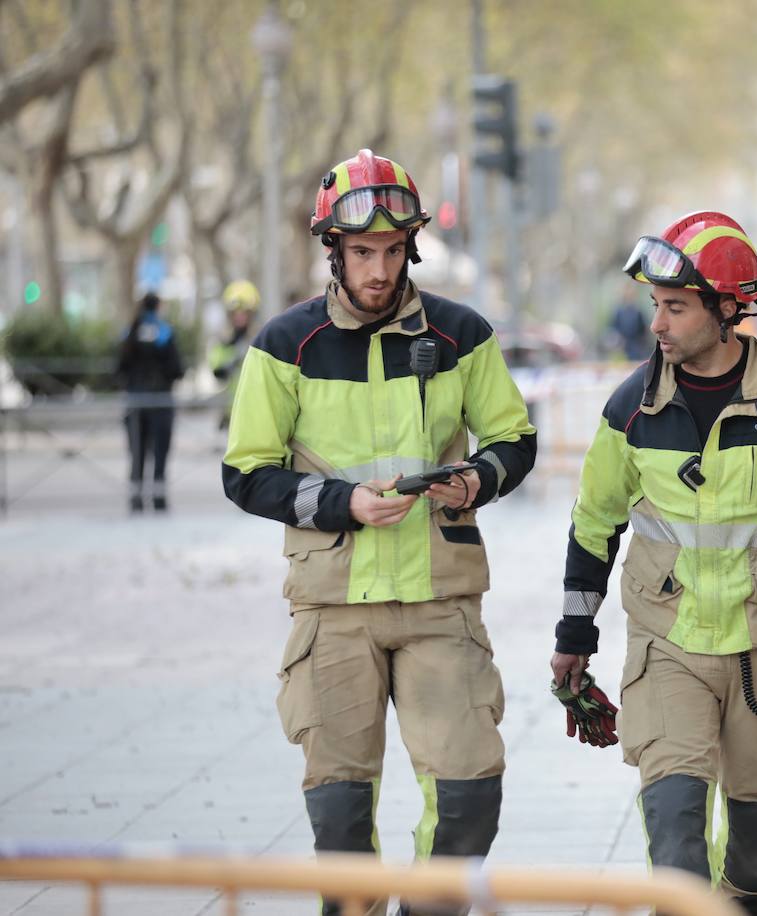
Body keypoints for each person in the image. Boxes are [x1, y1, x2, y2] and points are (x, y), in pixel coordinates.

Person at [222, 150, 537, 916]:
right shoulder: (283, 345)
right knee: (340, 829)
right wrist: (342, 504)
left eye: (393, 252)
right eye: (363, 252)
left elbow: (513, 439)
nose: (378, 269)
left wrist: (478, 479)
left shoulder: (463, 334)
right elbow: (246, 472)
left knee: (469, 799)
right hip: (333, 610)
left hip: (440, 601)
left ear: (412, 248)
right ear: (334, 249)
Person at [550, 211, 757, 914]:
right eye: (655, 307)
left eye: (675, 307)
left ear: (728, 309)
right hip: (666, 642)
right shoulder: (629, 410)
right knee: (675, 841)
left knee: (754, 861)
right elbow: (594, 525)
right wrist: (574, 637)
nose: (658, 325)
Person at [117, 291, 184, 513]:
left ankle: (136, 501)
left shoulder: (130, 332)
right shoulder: (164, 332)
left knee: (137, 453)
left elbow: (120, 367)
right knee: (160, 453)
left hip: (135, 402)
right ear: (158, 307)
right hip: (161, 402)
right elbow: (177, 369)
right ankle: (159, 500)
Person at [209, 279, 261, 429]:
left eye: (244, 312)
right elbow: (217, 371)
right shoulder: (223, 340)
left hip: (255, 411)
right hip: (230, 412)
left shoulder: (261, 338)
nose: (239, 317)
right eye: (235, 313)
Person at [608, 289, 653, 361]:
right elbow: (613, 329)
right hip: (622, 348)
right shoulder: (618, 312)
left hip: (636, 348)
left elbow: (643, 330)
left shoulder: (638, 312)